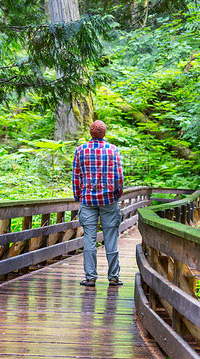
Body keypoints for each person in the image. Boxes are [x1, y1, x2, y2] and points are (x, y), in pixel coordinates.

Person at [72, 120, 124, 287]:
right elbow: (119, 177)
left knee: (89, 239)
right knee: (111, 238)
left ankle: (90, 277)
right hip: (109, 199)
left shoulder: (80, 150)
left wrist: (78, 196)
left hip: (87, 200)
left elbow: (76, 176)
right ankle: (114, 277)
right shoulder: (113, 150)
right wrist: (117, 194)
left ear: (90, 132)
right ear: (104, 133)